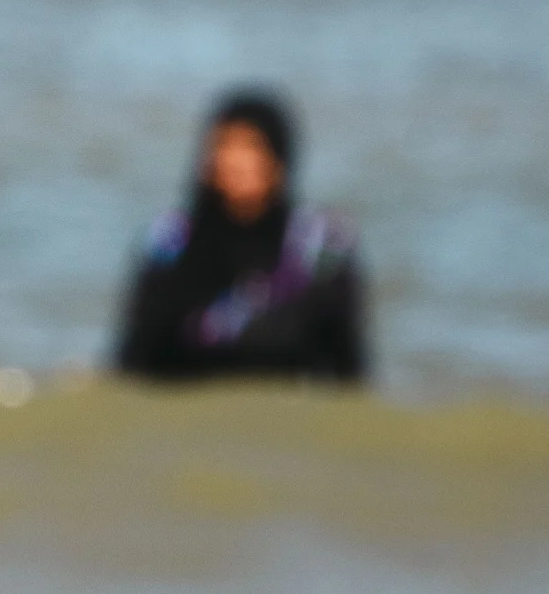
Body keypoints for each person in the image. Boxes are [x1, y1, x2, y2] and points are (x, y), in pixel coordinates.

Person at [111, 87, 369, 384]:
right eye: (223, 145)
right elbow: (132, 361)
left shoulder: (322, 249)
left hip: (285, 418)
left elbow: (350, 372)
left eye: (251, 146)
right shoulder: (169, 243)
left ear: (279, 160)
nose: (234, 160)